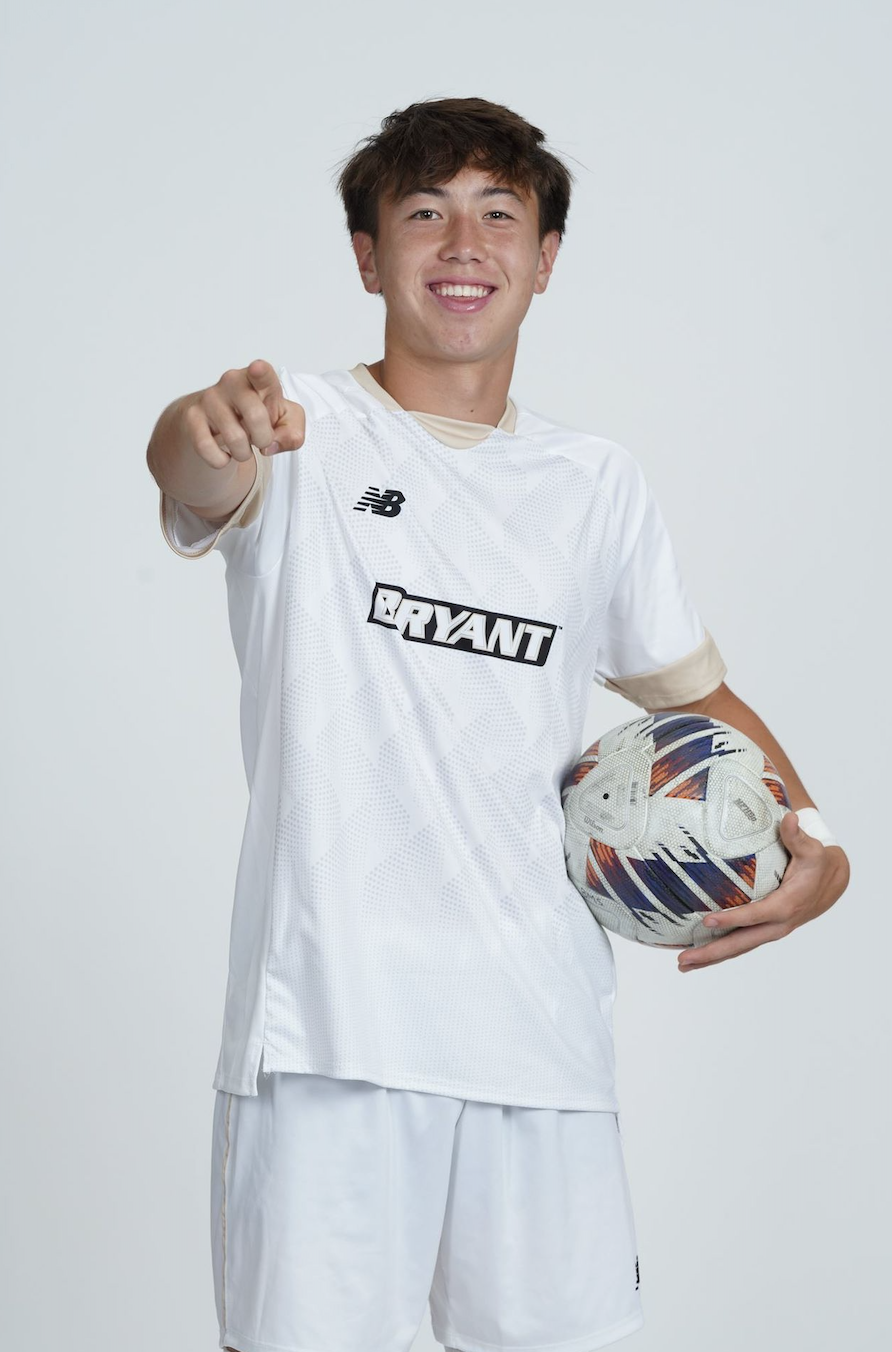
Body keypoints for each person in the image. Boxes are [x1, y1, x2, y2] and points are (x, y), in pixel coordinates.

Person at [146, 96, 850, 1352]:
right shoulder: (296, 426)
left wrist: (819, 842)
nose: (461, 243)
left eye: (496, 214)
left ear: (544, 257)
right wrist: (199, 429)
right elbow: (198, 469)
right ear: (368, 255)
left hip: (541, 1038)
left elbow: (693, 703)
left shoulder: (593, 485)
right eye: (423, 213)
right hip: (329, 1036)